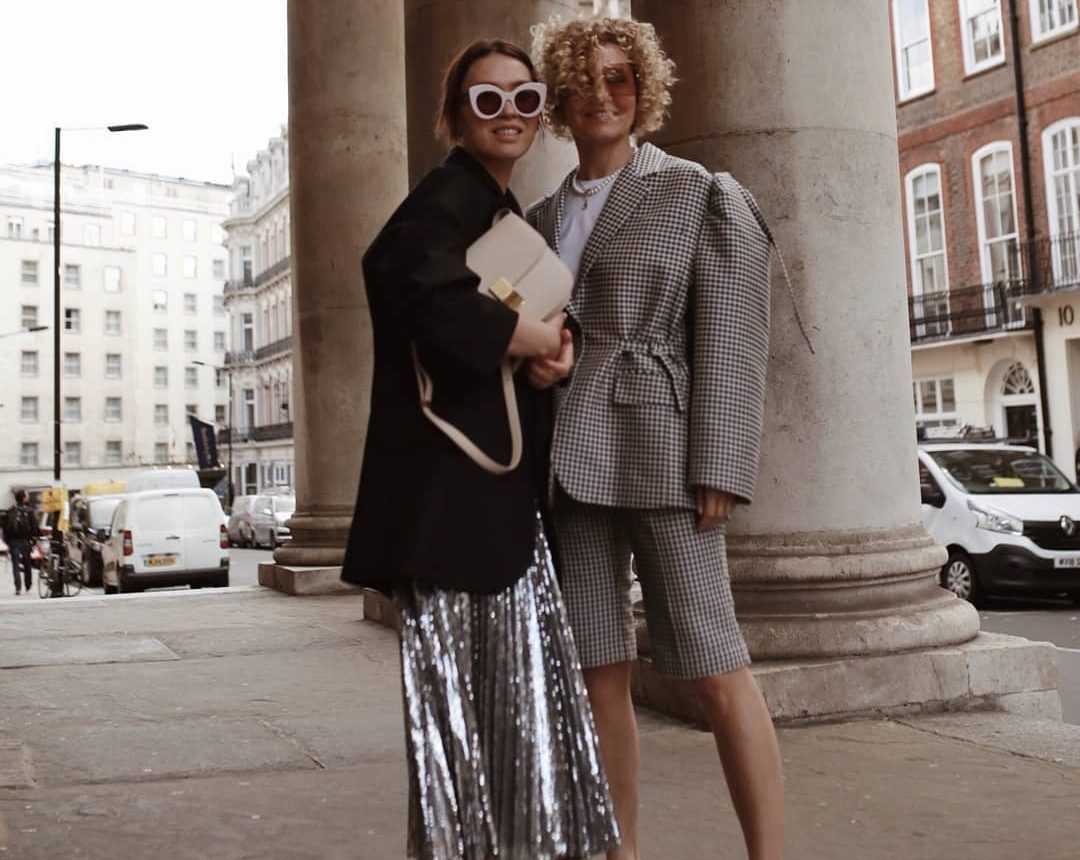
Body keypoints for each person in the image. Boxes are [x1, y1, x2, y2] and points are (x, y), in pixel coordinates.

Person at [340, 38, 618, 860]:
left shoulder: (494, 209)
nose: (508, 115)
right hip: (453, 509)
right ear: (456, 116)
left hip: (485, 505)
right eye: (486, 100)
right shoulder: (444, 199)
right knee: (473, 710)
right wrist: (525, 334)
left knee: (498, 705)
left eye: (524, 99)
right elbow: (404, 278)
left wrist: (548, 356)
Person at [527, 17, 785, 860]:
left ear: (643, 89)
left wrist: (722, 463)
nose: (603, 95)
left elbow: (733, 337)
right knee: (596, 672)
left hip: (664, 455)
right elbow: (540, 337)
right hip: (571, 466)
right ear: (560, 98)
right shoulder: (537, 218)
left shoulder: (696, 192)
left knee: (716, 665)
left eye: (620, 78)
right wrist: (543, 366)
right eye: (584, 80)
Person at [4, 490, 39, 596]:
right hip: (26, 541)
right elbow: (34, 527)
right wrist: (34, 540)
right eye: (27, 496)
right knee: (27, 563)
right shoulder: (29, 511)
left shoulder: (11, 511)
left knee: (15, 565)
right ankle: (28, 585)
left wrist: (7, 542)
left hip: (13, 541)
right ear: (24, 498)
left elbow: (5, 528)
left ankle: (18, 588)